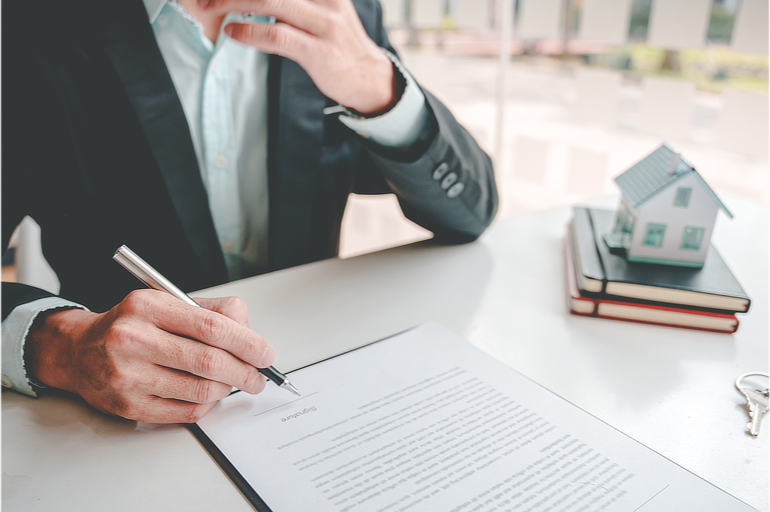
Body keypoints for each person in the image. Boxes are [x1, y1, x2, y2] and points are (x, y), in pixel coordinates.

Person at [0, 0, 498, 423]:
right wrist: (62, 348)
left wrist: (379, 88)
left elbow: (469, 212)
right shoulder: (24, 25)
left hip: (313, 385)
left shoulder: (339, 10)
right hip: (110, 427)